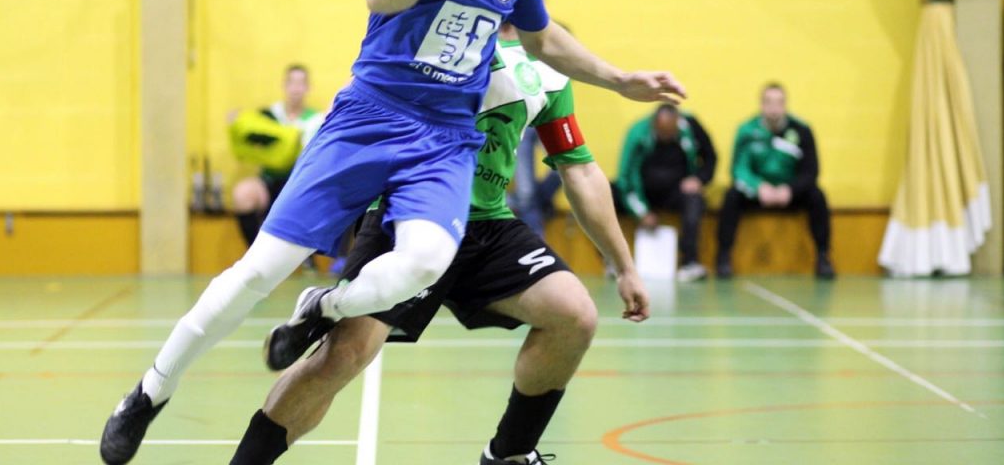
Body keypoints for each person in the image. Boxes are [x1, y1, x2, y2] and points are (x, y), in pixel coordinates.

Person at [99, 0, 685, 463]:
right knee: (258, 273)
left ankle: (328, 306)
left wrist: (622, 79)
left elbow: (545, 40)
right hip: (370, 117)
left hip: (443, 143)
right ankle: (149, 392)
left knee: (429, 257)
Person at [229, 24, 649, 465]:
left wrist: (624, 266)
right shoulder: (436, 33)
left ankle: (509, 454)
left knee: (574, 315)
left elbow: (578, 169)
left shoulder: (550, 66)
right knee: (344, 355)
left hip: (486, 225)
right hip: (409, 214)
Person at [716, 82, 834, 279]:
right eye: (769, 102)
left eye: (779, 102)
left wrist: (790, 190)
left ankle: (823, 256)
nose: (774, 108)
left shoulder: (802, 130)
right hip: (759, 193)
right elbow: (738, 170)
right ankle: (723, 257)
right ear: (761, 104)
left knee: (817, 195)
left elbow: (811, 171)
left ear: (785, 104)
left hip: (789, 193)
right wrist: (758, 187)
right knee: (731, 195)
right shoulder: (746, 131)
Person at [614, 104, 716, 281]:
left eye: (671, 133)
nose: (667, 137)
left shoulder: (691, 126)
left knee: (694, 200)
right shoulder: (637, 133)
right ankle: (614, 262)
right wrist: (641, 212)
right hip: (644, 192)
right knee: (609, 193)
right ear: (654, 124)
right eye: (662, 134)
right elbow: (626, 178)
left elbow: (710, 157)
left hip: (676, 192)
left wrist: (699, 179)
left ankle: (689, 262)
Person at [229, 65, 325, 246]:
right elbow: (247, 135)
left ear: (308, 88)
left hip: (299, 183)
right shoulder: (269, 116)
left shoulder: (316, 120)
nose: (296, 88)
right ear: (284, 86)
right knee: (242, 193)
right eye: (291, 83)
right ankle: (254, 250)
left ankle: (307, 259)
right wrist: (235, 121)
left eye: (301, 83)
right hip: (269, 180)